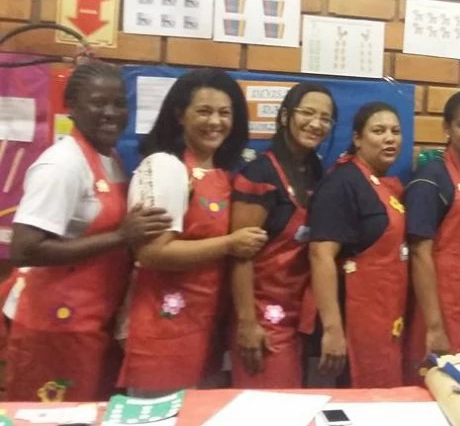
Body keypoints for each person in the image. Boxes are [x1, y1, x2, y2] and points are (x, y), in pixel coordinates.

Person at [4, 62, 171, 401]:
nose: (110, 113)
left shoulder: (110, 158)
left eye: (119, 103)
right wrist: (121, 237)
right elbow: (24, 249)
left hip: (93, 322)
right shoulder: (62, 165)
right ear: (72, 106)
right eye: (98, 103)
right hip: (53, 327)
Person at [119, 68, 268, 395]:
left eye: (224, 113)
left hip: (207, 328)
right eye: (204, 111)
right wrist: (230, 243)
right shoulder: (165, 167)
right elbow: (152, 253)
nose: (215, 122)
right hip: (164, 330)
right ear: (179, 115)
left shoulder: (223, 174)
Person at [230, 83, 337, 389]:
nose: (316, 124)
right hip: (262, 316)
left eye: (325, 118)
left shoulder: (316, 173)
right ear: (286, 116)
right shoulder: (259, 174)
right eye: (308, 113)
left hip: (298, 314)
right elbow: (240, 255)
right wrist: (247, 323)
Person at [307, 101, 407, 388]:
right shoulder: (342, 183)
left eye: (395, 131)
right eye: (378, 131)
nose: (389, 138)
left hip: (385, 317)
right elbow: (320, 255)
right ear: (357, 139)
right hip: (353, 320)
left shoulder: (384, 183)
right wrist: (333, 330)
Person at [404, 91, 460, 382]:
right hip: (438, 309)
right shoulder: (431, 178)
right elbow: (419, 252)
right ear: (447, 128)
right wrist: (434, 326)